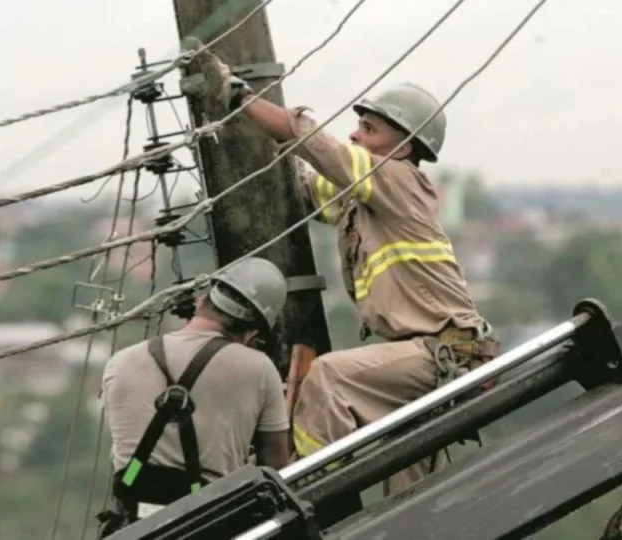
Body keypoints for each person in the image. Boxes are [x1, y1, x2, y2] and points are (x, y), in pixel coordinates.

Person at [189, 48, 501, 499]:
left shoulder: (398, 180)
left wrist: (239, 97)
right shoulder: (367, 199)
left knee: (329, 378)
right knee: (409, 482)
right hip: (424, 358)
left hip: (440, 352)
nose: (355, 134)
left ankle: (310, 489)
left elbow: (315, 143)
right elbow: (309, 183)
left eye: (369, 129)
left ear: (402, 148)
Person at [98, 256, 292, 535]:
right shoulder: (259, 369)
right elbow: (275, 466)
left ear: (201, 302)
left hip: (134, 527)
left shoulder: (120, 362)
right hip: (209, 524)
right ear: (252, 333)